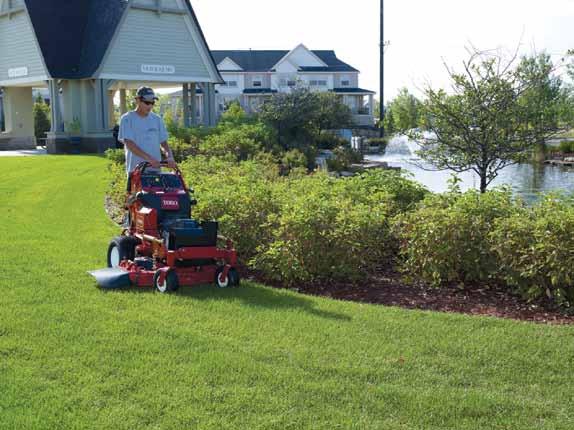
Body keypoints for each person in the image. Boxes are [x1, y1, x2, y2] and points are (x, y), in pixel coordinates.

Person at [118, 86, 176, 174]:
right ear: (137, 100)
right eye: (147, 102)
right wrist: (149, 159)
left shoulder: (157, 119)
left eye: (152, 103)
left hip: (155, 170)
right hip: (136, 171)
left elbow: (163, 143)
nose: (150, 106)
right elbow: (129, 143)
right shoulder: (127, 119)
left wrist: (169, 156)